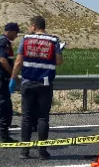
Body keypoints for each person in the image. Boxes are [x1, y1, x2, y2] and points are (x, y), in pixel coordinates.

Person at [10, 16, 63, 159]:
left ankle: (24, 151)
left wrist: (13, 79)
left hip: (28, 82)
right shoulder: (53, 40)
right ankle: (42, 152)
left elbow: (18, 61)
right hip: (45, 83)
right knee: (42, 117)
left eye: (29, 26)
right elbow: (59, 62)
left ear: (34, 26)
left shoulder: (26, 40)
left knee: (26, 117)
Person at [0, 22, 20, 143]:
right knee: (4, 108)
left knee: (5, 108)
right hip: (0, 79)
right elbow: (3, 60)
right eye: (16, 33)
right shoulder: (4, 43)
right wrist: (13, 74)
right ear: (11, 31)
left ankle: (4, 135)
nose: (16, 36)